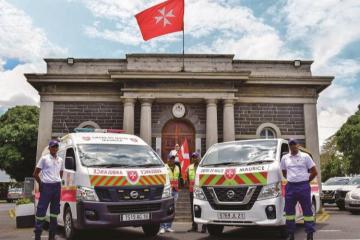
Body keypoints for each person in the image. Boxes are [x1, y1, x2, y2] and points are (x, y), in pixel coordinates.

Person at [281, 139, 318, 240]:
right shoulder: (285, 158)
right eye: (291, 144)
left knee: (307, 211)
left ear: (298, 145)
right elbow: (284, 172)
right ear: (289, 146)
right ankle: (290, 234)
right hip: (290, 187)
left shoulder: (305, 157)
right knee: (289, 212)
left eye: (294, 144)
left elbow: (314, 172)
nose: (293, 146)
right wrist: (291, 179)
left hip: (303, 186)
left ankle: (310, 234)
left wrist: (306, 181)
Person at [33, 140, 64, 240]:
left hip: (57, 187)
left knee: (54, 214)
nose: (54, 148)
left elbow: (61, 173)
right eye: (52, 147)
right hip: (46, 187)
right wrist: (41, 184)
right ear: (49, 148)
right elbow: (35, 174)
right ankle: (37, 236)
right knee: (41, 213)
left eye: (56, 147)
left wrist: (57, 180)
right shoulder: (44, 159)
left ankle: (52, 237)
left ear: (57, 148)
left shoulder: (60, 160)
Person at [187, 152, 207, 233]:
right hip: (192, 191)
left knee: (203, 208)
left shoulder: (203, 167)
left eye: (195, 157)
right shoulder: (190, 167)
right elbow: (188, 178)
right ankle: (194, 226)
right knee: (193, 209)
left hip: (202, 192)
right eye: (193, 157)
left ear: (199, 158)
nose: (194, 158)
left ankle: (204, 227)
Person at [160, 153, 180, 234]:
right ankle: (162, 227)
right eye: (170, 158)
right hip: (166, 191)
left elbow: (178, 178)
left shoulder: (177, 167)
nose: (172, 160)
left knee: (172, 209)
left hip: (175, 191)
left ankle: (168, 226)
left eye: (173, 158)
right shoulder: (164, 167)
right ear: (167, 159)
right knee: (164, 208)